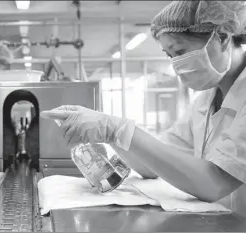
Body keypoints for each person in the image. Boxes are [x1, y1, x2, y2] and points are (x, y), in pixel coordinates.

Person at [41, 0, 246, 207]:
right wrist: (108, 132)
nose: (175, 65)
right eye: (170, 55)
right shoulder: (206, 99)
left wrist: (118, 130)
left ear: (222, 37)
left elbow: (214, 183)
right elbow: (152, 166)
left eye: (180, 51)